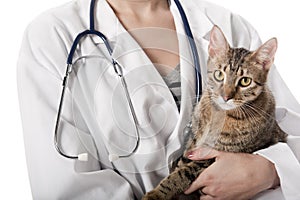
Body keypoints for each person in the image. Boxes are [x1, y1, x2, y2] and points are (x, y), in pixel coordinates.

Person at [17, 0, 300, 199]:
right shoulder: (52, 36)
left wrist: (270, 170)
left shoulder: (227, 24)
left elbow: (293, 136)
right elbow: (62, 183)